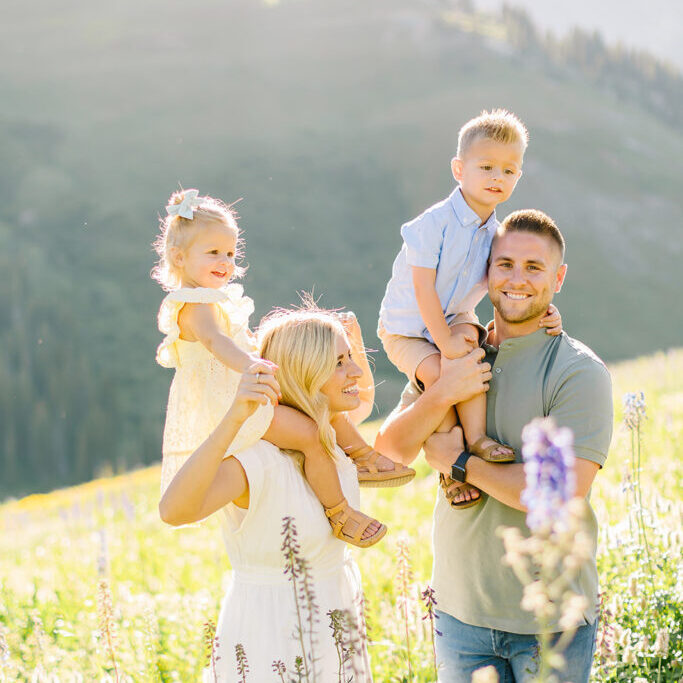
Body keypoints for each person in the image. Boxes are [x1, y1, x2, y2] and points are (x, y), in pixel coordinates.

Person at [375, 210, 613, 682]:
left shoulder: (577, 371)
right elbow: (388, 452)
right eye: (504, 264)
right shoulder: (453, 353)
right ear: (485, 271)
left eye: (534, 267)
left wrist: (459, 463)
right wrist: (444, 389)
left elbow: (559, 493)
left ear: (558, 278)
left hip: (550, 623)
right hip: (459, 616)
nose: (517, 279)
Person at [152, 189, 414, 547]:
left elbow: (240, 341)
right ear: (178, 257)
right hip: (234, 402)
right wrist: (252, 366)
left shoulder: (214, 300)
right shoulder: (194, 306)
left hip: (248, 389)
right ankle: (340, 512)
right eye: (213, 252)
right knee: (308, 435)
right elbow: (217, 343)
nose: (225, 261)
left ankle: (361, 455)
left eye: (230, 253)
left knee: (318, 401)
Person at [159, 308, 373, 681]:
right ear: (304, 372)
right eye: (339, 362)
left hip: (335, 633)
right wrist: (235, 419)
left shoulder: (333, 446)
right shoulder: (258, 462)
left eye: (351, 358)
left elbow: (362, 398)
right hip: (267, 640)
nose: (355, 371)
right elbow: (173, 511)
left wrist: (351, 333)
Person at [377, 110, 561, 503]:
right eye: (487, 167)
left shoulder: (495, 234)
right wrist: (444, 344)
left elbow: (507, 286)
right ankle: (450, 468)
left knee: (470, 354)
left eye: (509, 171)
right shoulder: (434, 224)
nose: (498, 177)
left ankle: (476, 439)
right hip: (406, 328)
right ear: (459, 169)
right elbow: (423, 288)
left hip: (454, 317)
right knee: (443, 376)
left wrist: (545, 311)